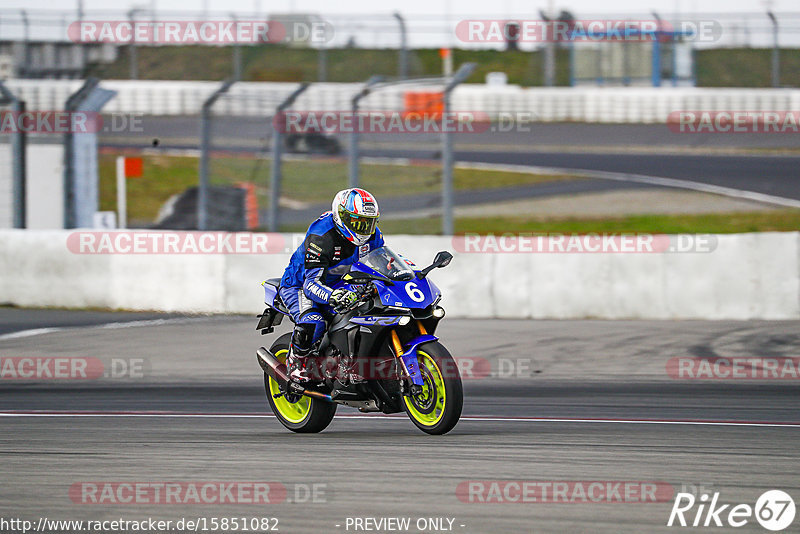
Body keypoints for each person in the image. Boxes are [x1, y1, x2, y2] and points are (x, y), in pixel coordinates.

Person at [278, 188, 383, 382]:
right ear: (341, 216)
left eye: (368, 222)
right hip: (299, 285)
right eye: (357, 222)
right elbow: (311, 284)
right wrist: (333, 296)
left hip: (339, 282)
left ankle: (355, 361)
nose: (363, 228)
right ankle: (296, 362)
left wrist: (407, 273)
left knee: (370, 307)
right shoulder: (321, 236)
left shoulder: (373, 235)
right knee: (314, 321)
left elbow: (384, 261)